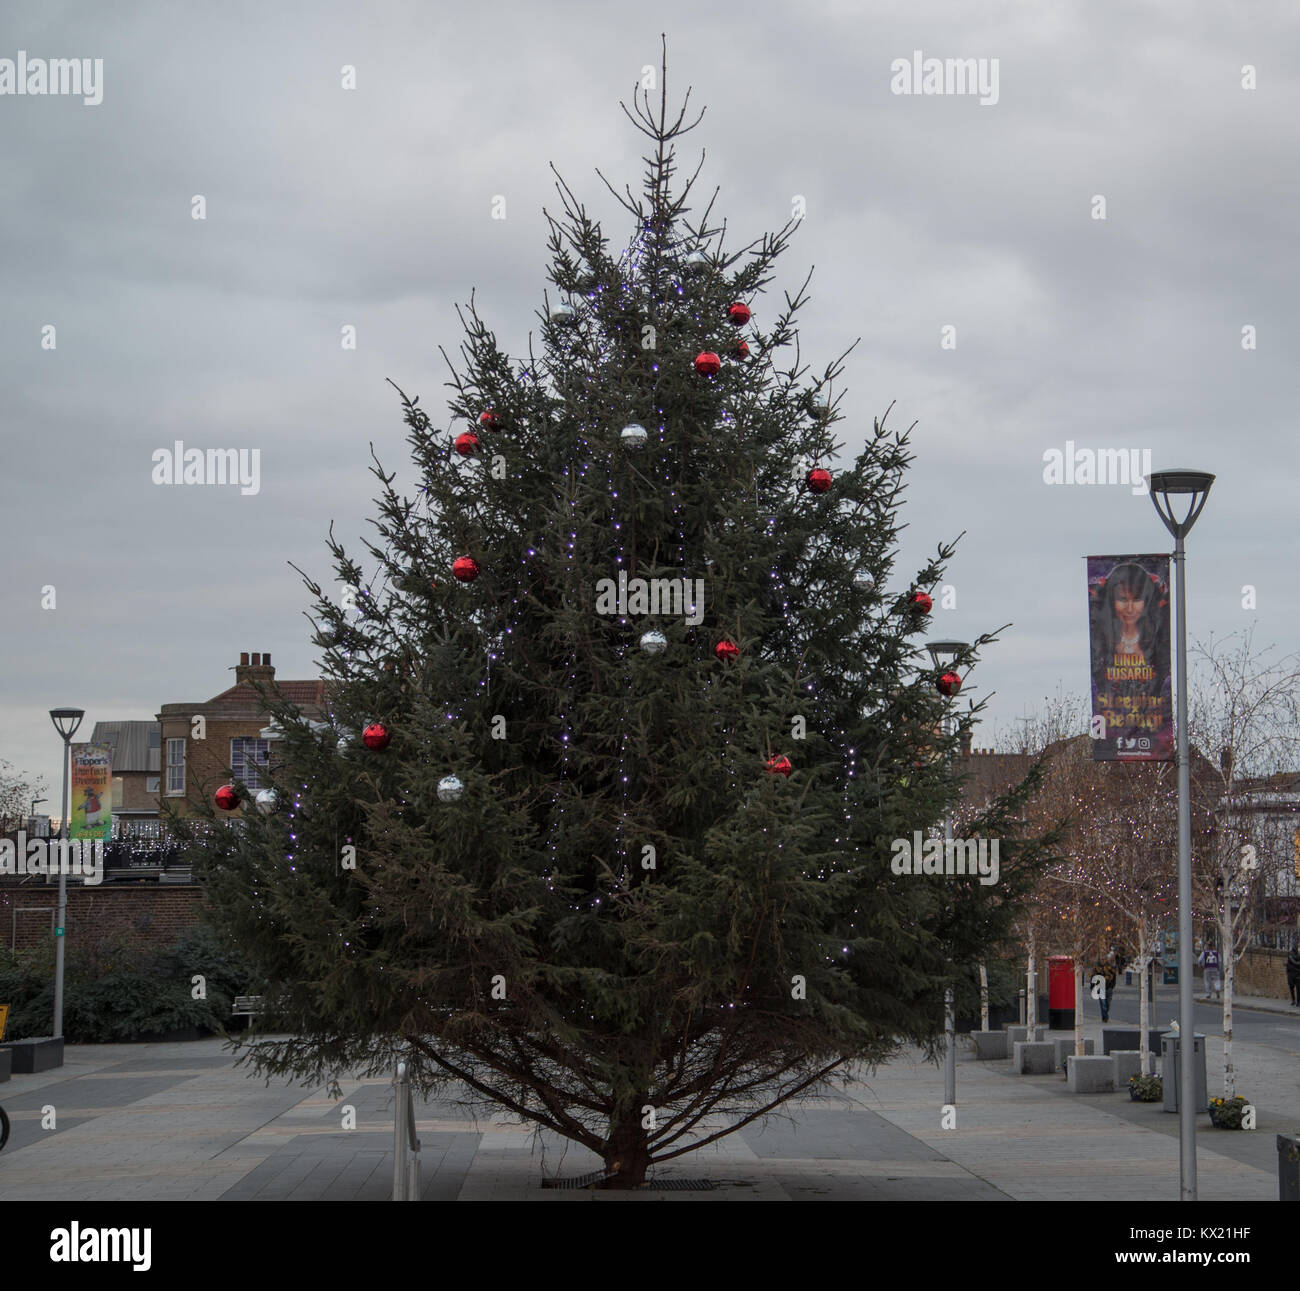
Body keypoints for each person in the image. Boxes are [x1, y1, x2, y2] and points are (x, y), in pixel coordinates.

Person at [1092, 954, 1117, 1023]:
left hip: (1109, 987)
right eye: (1102, 959)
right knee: (1103, 1004)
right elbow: (1093, 977)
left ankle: (1105, 1014)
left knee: (1108, 1003)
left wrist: (1113, 985)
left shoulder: (1110, 966)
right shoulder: (1096, 967)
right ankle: (1105, 1017)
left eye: (1104, 959)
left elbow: (1114, 976)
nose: (1103, 960)